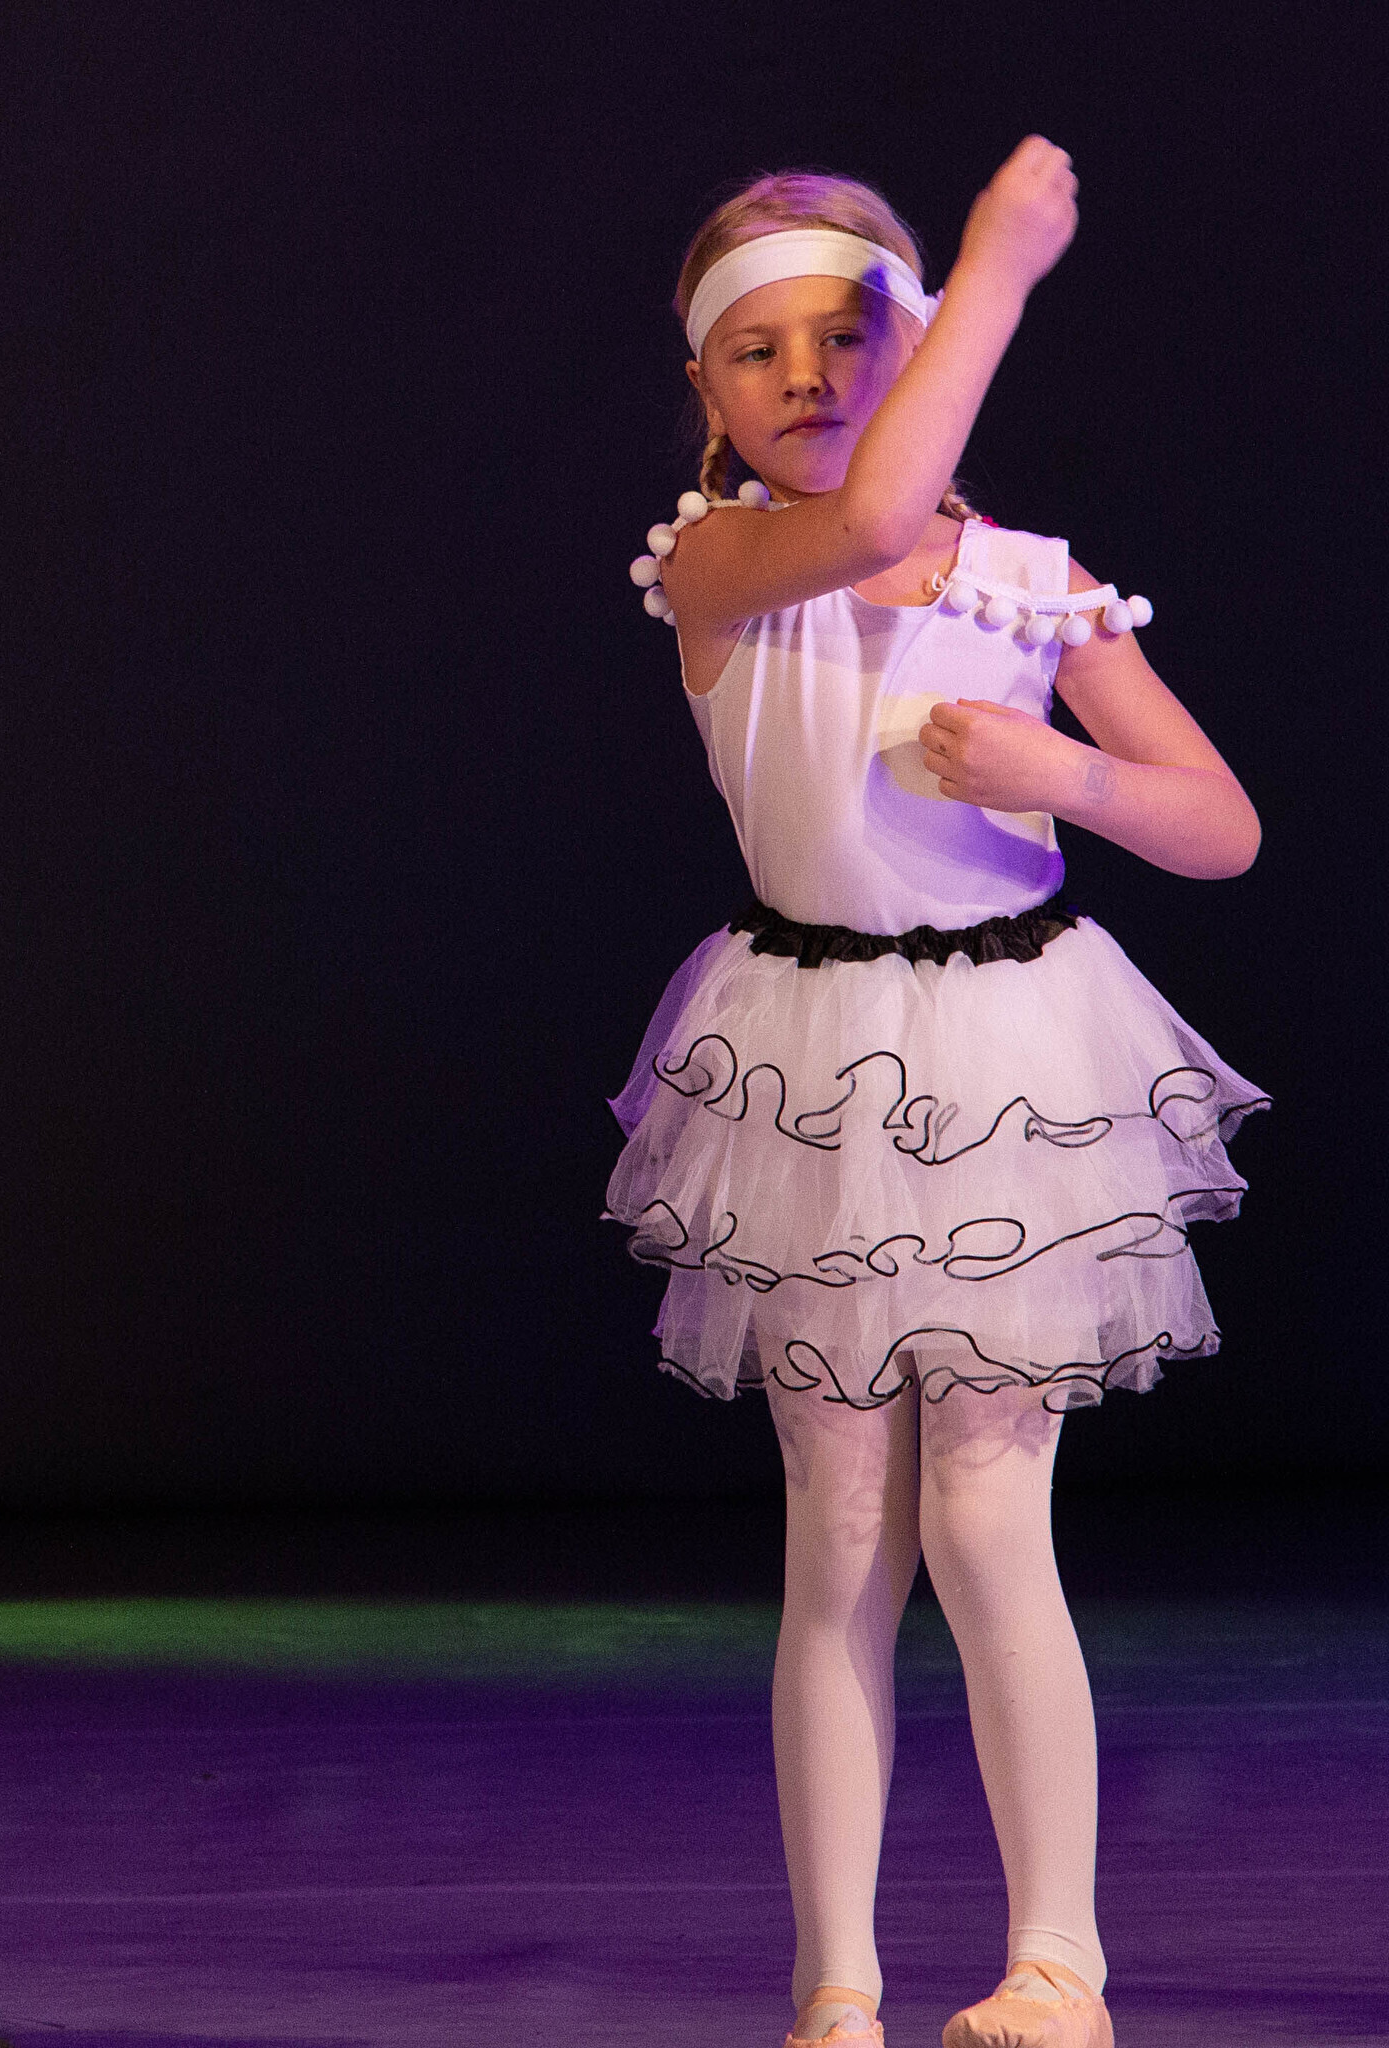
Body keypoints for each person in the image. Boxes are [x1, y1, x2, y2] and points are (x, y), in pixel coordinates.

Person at [607, 141, 1261, 2048]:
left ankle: (1059, 1967)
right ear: (708, 392)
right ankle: (838, 1985)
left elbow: (1219, 825)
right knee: (838, 1538)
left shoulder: (1038, 591)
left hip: (1005, 1071)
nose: (808, 375)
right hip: (813, 1067)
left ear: (913, 354)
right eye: (760, 351)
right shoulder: (723, 565)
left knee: (989, 1524)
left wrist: (1068, 783)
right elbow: (880, 503)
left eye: (850, 335)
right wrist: (996, 268)